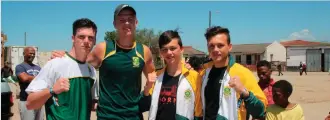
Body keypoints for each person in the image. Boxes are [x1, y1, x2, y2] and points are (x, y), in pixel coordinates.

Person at [51, 4, 156, 120]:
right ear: (114, 24)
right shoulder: (104, 49)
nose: (126, 23)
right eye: (122, 20)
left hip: (134, 116)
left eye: (130, 19)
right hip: (107, 116)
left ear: (136, 22)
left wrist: (146, 93)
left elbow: (153, 77)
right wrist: (64, 55)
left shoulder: (144, 51)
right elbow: (79, 61)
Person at [25, 18, 98, 120]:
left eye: (90, 38)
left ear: (95, 41)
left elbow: (92, 104)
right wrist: (52, 90)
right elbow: (30, 104)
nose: (86, 41)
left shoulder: (92, 71)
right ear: (73, 38)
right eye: (81, 37)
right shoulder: (55, 64)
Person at [198, 26, 267, 120]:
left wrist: (245, 93)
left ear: (229, 47)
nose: (215, 50)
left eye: (220, 45)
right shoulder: (204, 73)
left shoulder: (242, 73)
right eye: (211, 46)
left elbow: (260, 111)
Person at [141, 30, 203, 120]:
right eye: (164, 50)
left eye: (173, 48)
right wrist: (147, 89)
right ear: (161, 53)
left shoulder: (194, 76)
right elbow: (143, 106)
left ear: (181, 49)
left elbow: (198, 112)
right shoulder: (156, 77)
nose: (169, 53)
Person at [15, 47, 43, 120]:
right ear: (24, 54)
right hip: (26, 101)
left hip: (38, 101)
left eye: (34, 54)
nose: (33, 55)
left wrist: (30, 77)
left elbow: (44, 80)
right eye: (30, 53)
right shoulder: (20, 67)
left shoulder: (38, 67)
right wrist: (38, 78)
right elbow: (24, 78)